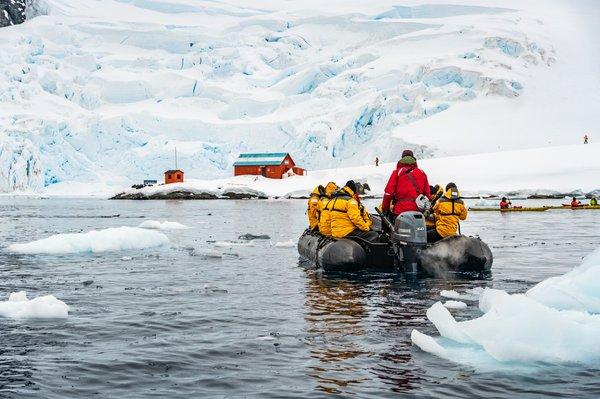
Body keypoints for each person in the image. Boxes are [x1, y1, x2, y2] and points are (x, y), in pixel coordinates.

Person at [381, 149, 431, 219]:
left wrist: (385, 209)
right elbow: (428, 195)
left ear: (402, 159)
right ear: (413, 159)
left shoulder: (397, 173)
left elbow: (388, 194)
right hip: (418, 212)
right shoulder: (422, 173)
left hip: (400, 211)